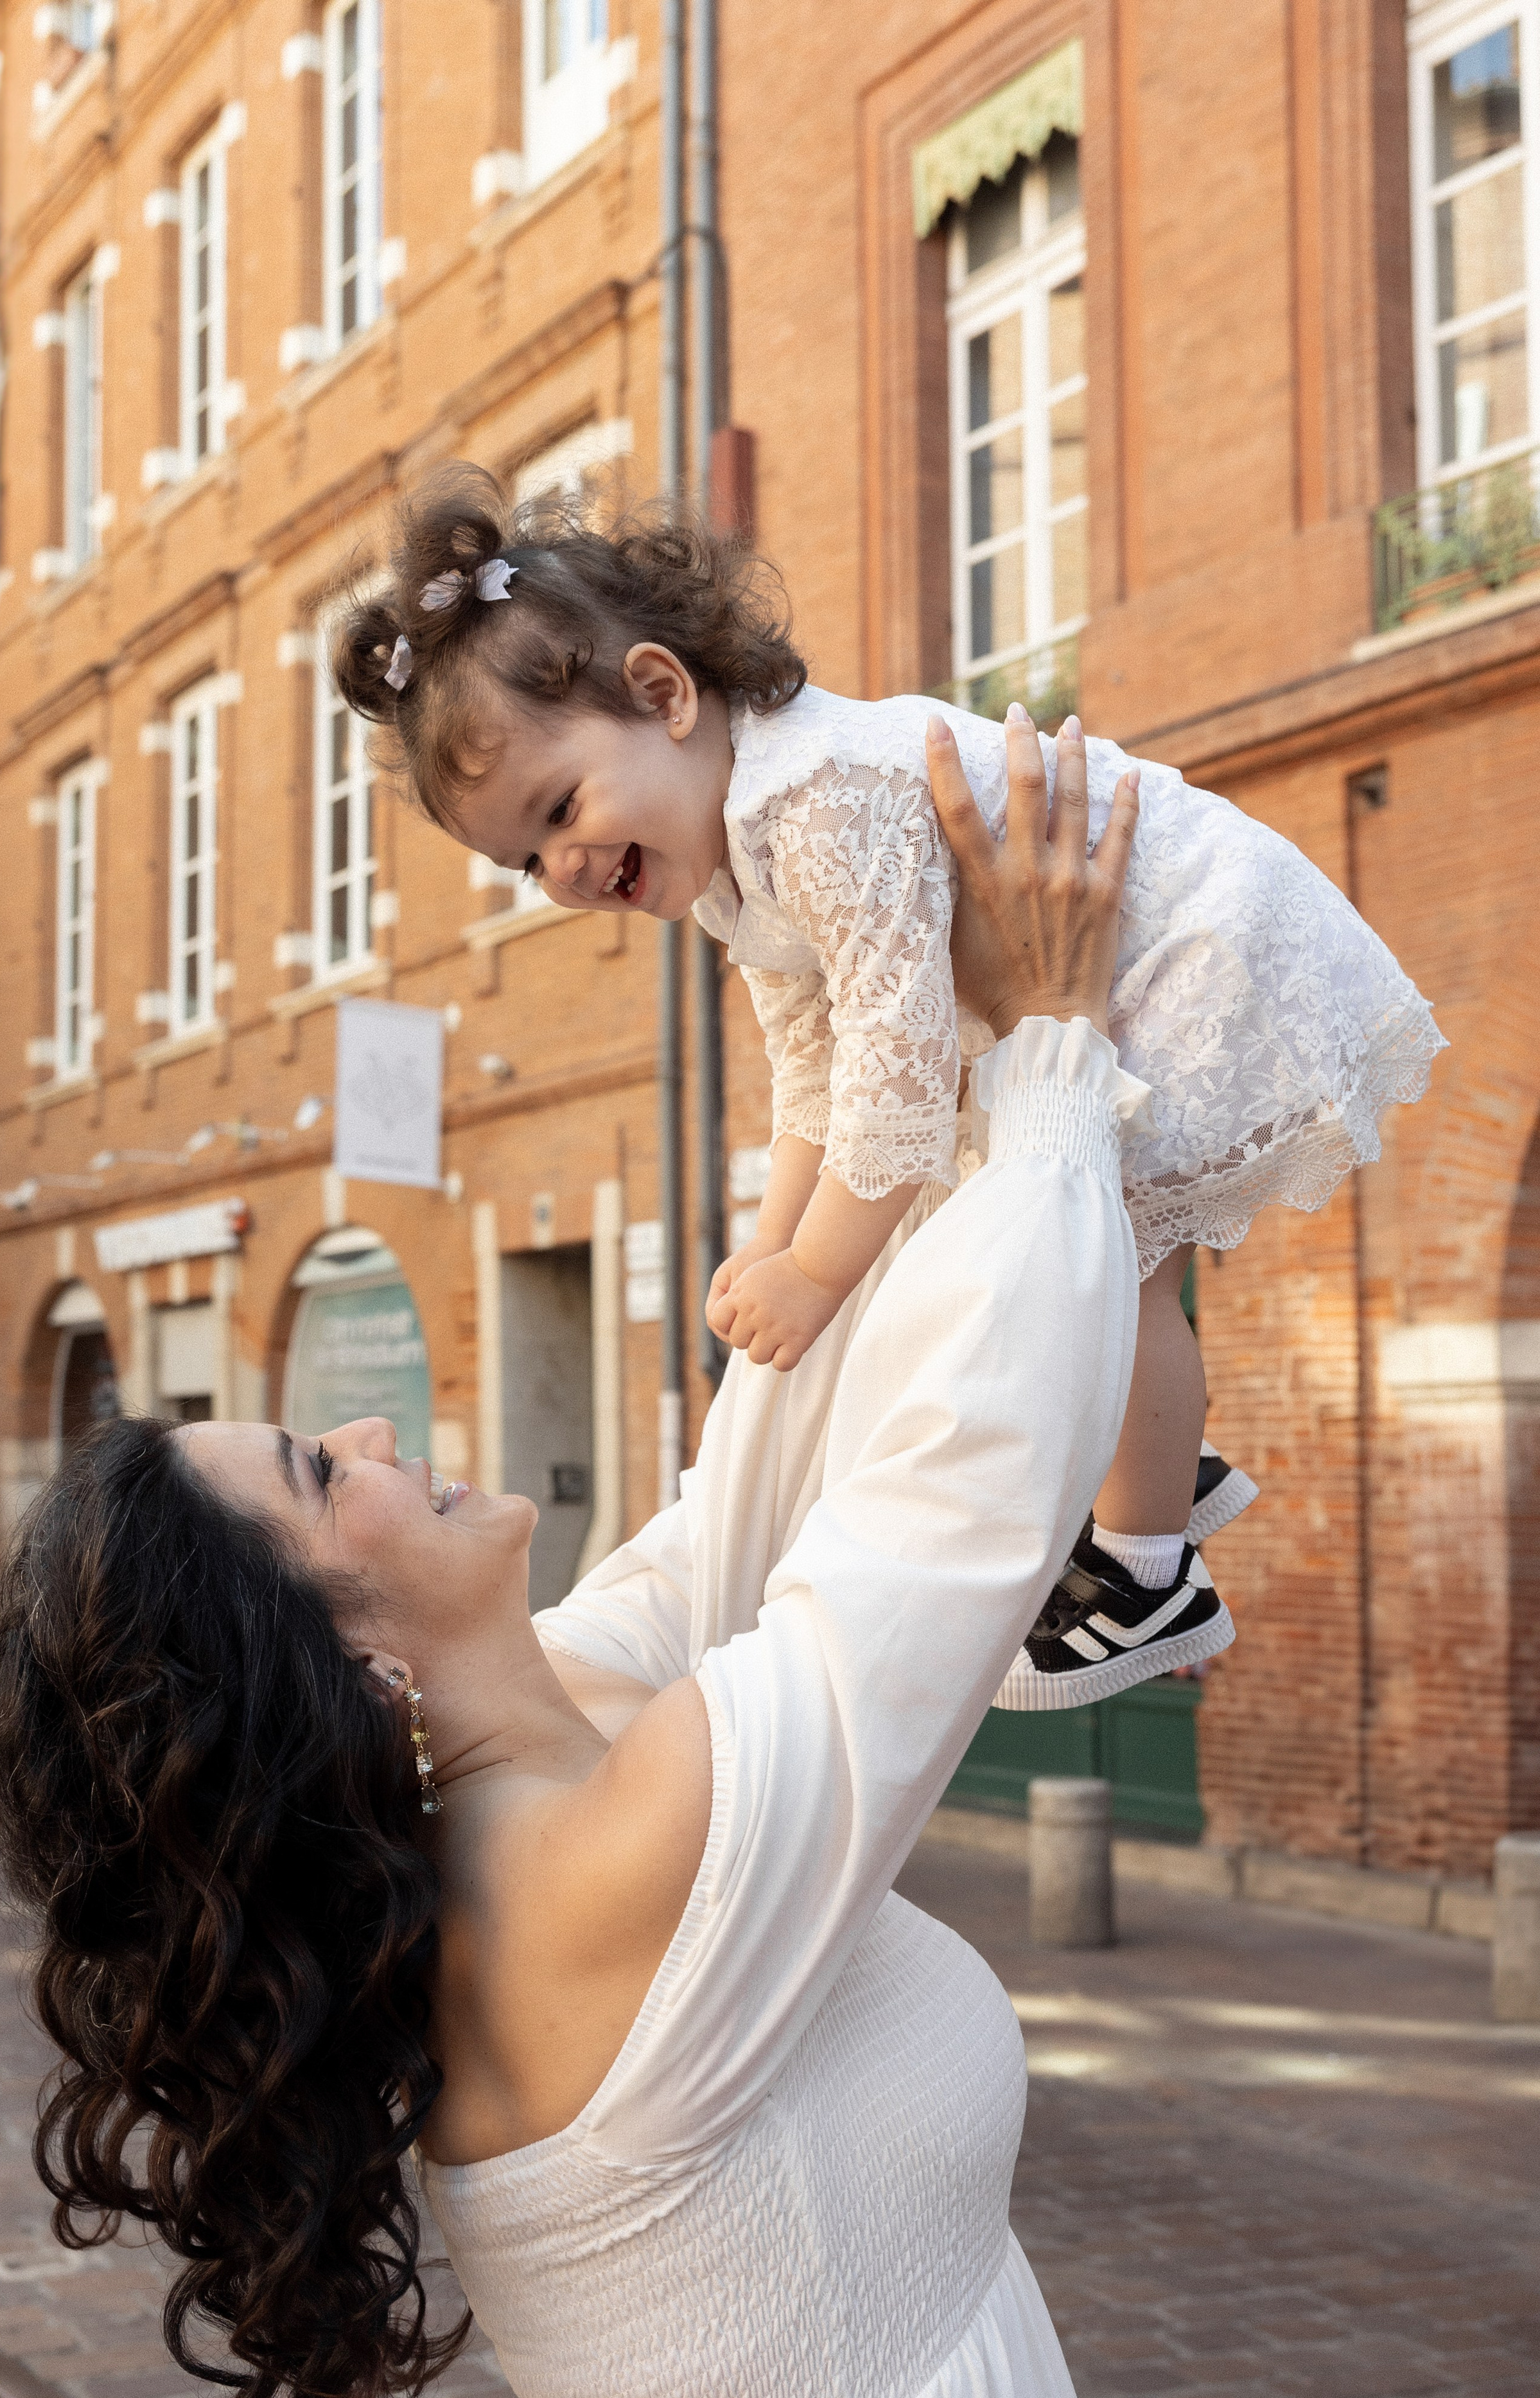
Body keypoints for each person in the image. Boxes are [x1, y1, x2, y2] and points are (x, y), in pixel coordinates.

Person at [0, 719, 1140, 2398]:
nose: (371, 1428)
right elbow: (945, 1515)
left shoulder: (532, 1747)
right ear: (351, 1664)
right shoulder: (596, 1873)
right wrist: (1047, 1052)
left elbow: (735, 1513)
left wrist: (884, 1025)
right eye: (318, 1471)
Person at [330, 469, 1444, 1708]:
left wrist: (818, 1272)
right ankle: (1152, 1473)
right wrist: (770, 1250)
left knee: (1115, 1252)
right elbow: (812, 1069)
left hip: (1193, 939)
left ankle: (1147, 1569)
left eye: (561, 808)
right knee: (1095, 1254)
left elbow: (899, 1064)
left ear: (664, 693)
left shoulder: (816, 798)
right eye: (525, 858)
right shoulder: (729, 870)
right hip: (1117, 959)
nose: (564, 869)